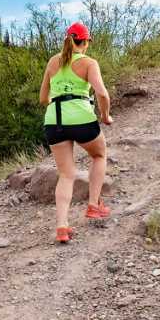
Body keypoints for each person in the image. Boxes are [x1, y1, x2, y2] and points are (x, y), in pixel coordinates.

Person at [39, 22, 113, 243]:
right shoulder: (89, 63)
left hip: (54, 120)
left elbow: (43, 98)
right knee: (99, 155)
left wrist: (59, 101)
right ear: (85, 42)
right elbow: (102, 93)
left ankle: (62, 227)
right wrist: (105, 116)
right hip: (81, 117)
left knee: (66, 174)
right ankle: (93, 205)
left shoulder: (53, 61)